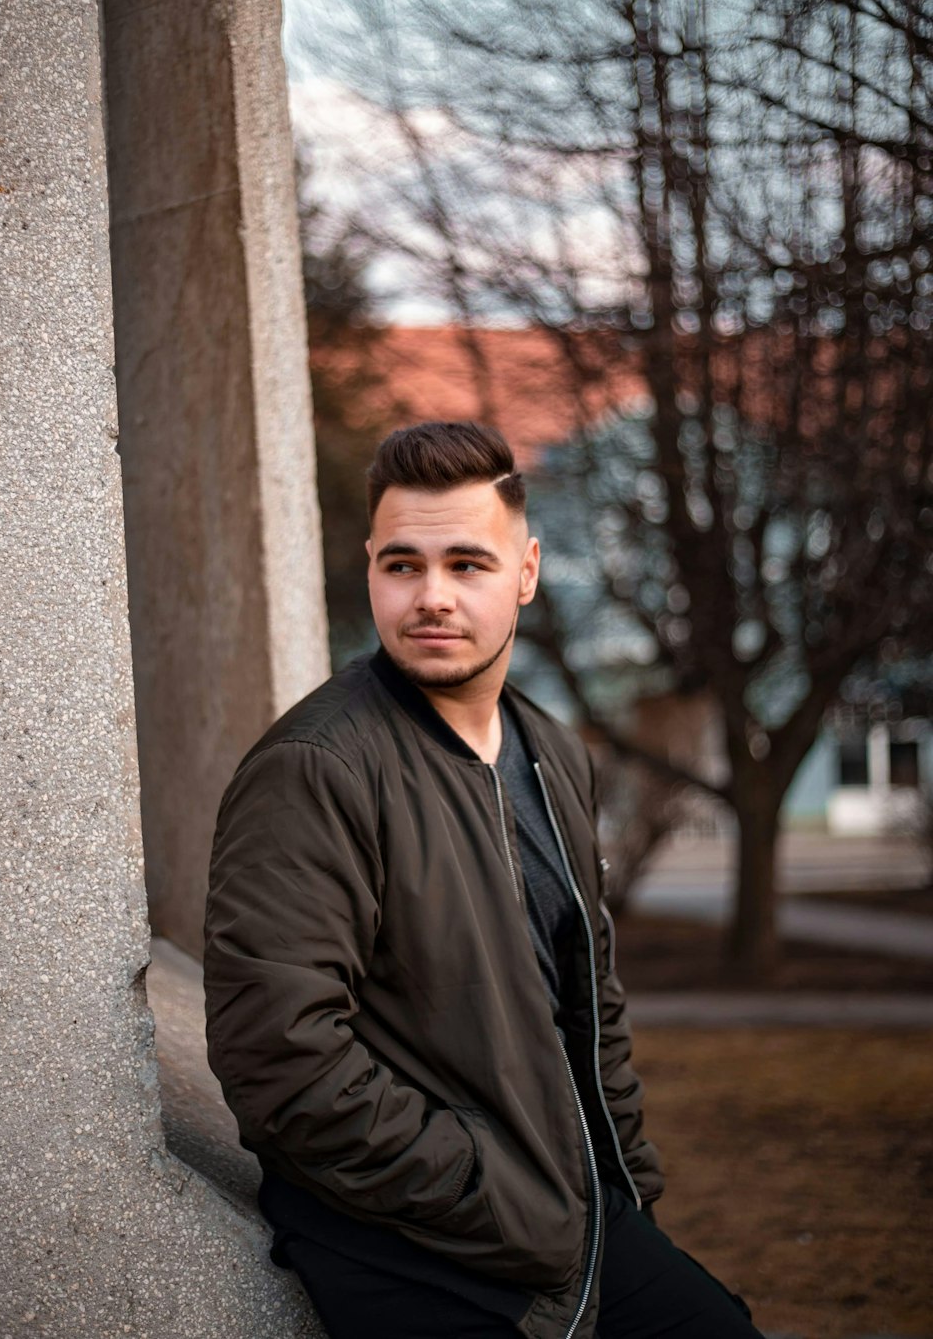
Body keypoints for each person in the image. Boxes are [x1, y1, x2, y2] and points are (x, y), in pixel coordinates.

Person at [204, 421, 763, 1339]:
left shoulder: (551, 751)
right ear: (370, 569)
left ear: (527, 573)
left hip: (568, 1217)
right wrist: (484, 1189)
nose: (432, 598)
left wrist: (624, 1183)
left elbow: (591, 1002)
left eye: (468, 564)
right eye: (402, 565)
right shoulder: (316, 770)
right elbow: (282, 1060)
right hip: (409, 1245)